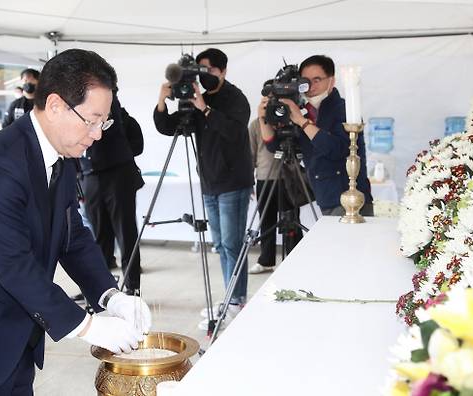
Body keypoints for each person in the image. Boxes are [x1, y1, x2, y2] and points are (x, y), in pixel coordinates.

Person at [0, 49, 152, 395]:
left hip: (14, 341)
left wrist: (110, 295)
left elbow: (73, 236)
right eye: (92, 120)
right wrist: (87, 326)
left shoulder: (60, 156)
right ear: (55, 106)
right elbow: (14, 266)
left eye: (104, 122)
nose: (97, 134)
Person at [154, 48, 253, 330]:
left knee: (232, 245)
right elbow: (170, 127)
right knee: (220, 245)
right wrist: (163, 101)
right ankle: (231, 298)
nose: (203, 76)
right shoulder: (198, 96)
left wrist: (204, 108)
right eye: (200, 70)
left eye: (208, 70)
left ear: (222, 71)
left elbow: (234, 133)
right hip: (209, 182)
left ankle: (237, 301)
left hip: (233, 182)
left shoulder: (234, 98)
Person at [259, 55, 373, 216]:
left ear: (331, 81)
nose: (310, 86)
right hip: (325, 197)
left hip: (350, 200)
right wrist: (263, 119)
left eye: (317, 79)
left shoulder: (344, 109)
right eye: (305, 81)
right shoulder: (304, 109)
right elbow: (276, 147)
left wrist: (301, 121)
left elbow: (337, 149)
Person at [82, 88, 144, 292]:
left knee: (125, 233)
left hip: (118, 177)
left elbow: (137, 145)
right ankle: (101, 287)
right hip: (90, 177)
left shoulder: (115, 111)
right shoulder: (81, 110)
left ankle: (132, 286)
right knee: (98, 235)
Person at [247, 118, 301, 274]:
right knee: (266, 220)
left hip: (289, 177)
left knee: (291, 220)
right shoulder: (256, 124)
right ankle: (266, 260)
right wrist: (249, 179)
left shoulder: (291, 119)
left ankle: (294, 259)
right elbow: (250, 151)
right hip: (265, 177)